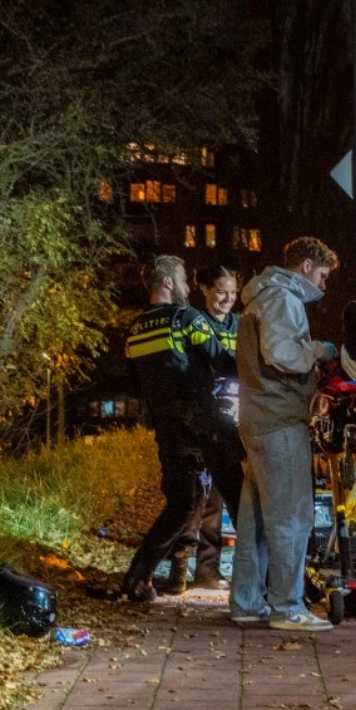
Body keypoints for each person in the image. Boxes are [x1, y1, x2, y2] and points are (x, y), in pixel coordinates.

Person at [118, 255, 244, 603]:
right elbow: (224, 361)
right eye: (185, 281)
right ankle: (261, 581)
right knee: (239, 498)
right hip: (205, 424)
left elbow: (134, 387)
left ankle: (137, 578)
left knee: (181, 505)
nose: (188, 287)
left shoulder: (134, 329)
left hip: (168, 428)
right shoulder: (186, 318)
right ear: (169, 283)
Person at [229, 236, 338, 631]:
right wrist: (319, 351)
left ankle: (245, 601)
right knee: (292, 515)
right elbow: (282, 353)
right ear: (307, 266)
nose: (323, 287)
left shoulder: (258, 297)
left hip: (257, 416)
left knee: (256, 519)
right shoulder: (282, 298)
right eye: (323, 276)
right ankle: (288, 607)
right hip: (278, 417)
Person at [162, 265, 243, 594]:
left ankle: (208, 569)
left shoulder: (240, 325)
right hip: (201, 418)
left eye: (233, 294)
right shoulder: (195, 320)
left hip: (234, 419)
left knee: (219, 500)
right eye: (221, 291)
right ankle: (180, 565)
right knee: (197, 493)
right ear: (205, 290)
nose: (227, 299)